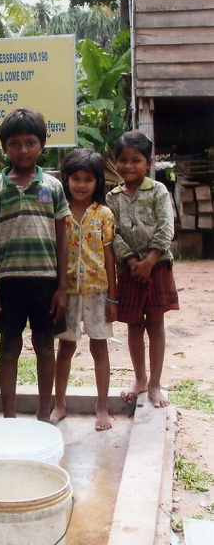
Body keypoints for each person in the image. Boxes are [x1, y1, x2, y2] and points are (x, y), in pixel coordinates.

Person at [0, 108, 69, 422]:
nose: (23, 150)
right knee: (8, 346)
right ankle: (9, 415)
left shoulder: (53, 187)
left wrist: (62, 286)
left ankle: (44, 412)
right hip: (9, 281)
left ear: (42, 144)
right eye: (15, 144)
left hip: (46, 281)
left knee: (44, 344)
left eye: (30, 142)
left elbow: (62, 237)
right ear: (5, 147)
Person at [106, 130, 179, 408]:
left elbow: (166, 227)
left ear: (148, 162)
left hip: (157, 267)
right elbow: (112, 233)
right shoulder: (112, 197)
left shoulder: (158, 191)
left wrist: (149, 261)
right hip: (129, 271)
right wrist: (131, 261)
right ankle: (140, 379)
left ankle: (155, 384)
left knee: (156, 325)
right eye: (123, 160)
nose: (128, 166)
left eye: (136, 160)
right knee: (134, 325)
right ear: (116, 162)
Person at [50, 149, 117, 431]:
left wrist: (113, 297)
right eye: (75, 178)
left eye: (88, 179)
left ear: (97, 181)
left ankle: (102, 406)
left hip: (97, 292)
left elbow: (109, 256)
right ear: (66, 179)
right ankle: (60, 403)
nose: (81, 185)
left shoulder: (104, 214)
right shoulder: (59, 212)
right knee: (65, 347)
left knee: (99, 347)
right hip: (67, 292)